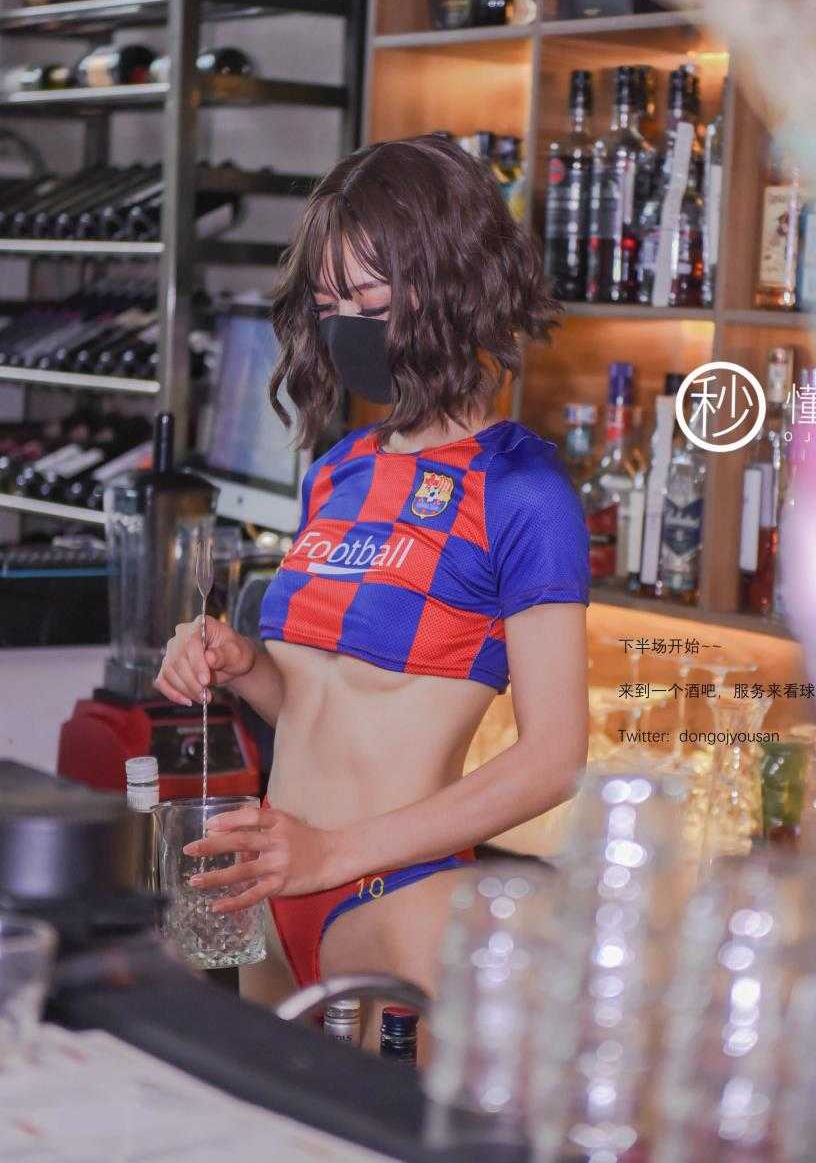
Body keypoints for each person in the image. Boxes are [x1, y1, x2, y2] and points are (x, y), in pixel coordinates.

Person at [155, 135, 591, 1029]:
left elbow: (555, 758)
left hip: (397, 897)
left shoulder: (522, 491)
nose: (345, 324)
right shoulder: (339, 471)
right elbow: (316, 704)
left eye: (369, 299)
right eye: (327, 303)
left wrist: (333, 853)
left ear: (451, 284)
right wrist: (241, 664)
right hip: (275, 879)